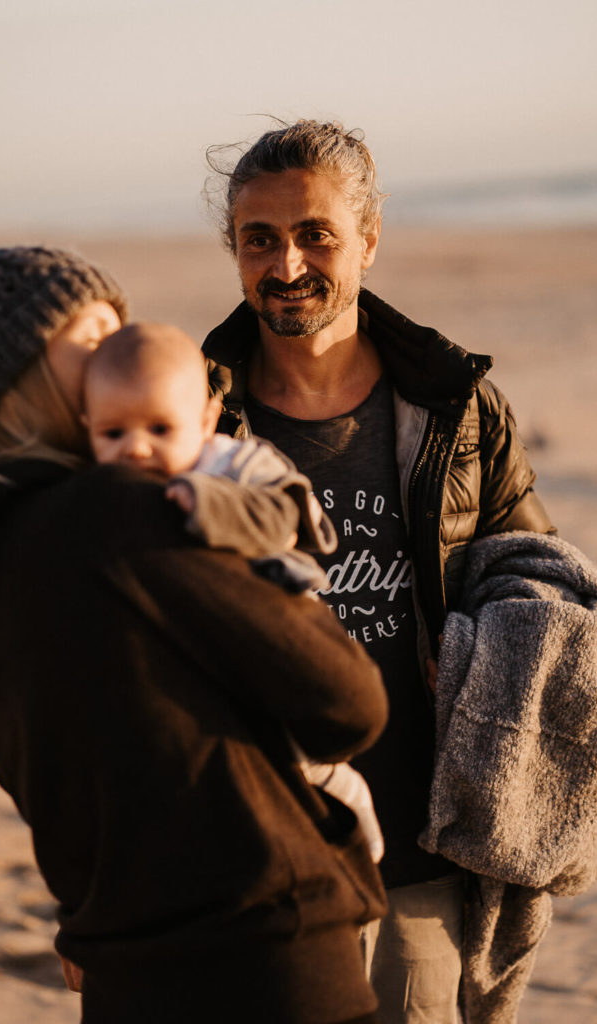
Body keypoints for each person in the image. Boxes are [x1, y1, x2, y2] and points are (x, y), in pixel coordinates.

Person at [0, 245, 390, 1024]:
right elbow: (349, 703)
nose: (121, 351)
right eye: (91, 338)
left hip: (118, 967)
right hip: (267, 954)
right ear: (14, 373)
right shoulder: (118, 515)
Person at [201, 119, 556, 1023]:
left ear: (368, 236)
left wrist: (480, 658)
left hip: (425, 844)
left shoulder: (457, 411)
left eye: (315, 234)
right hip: (255, 850)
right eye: (260, 240)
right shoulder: (194, 422)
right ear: (234, 249)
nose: (286, 266)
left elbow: (541, 584)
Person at [81, 320, 385, 861]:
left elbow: (287, 515)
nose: (136, 449)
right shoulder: (106, 491)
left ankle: (347, 799)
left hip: (280, 623)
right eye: (113, 434)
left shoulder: (229, 463)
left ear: (203, 420)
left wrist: (207, 504)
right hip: (199, 651)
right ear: (89, 430)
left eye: (159, 429)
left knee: (295, 753)